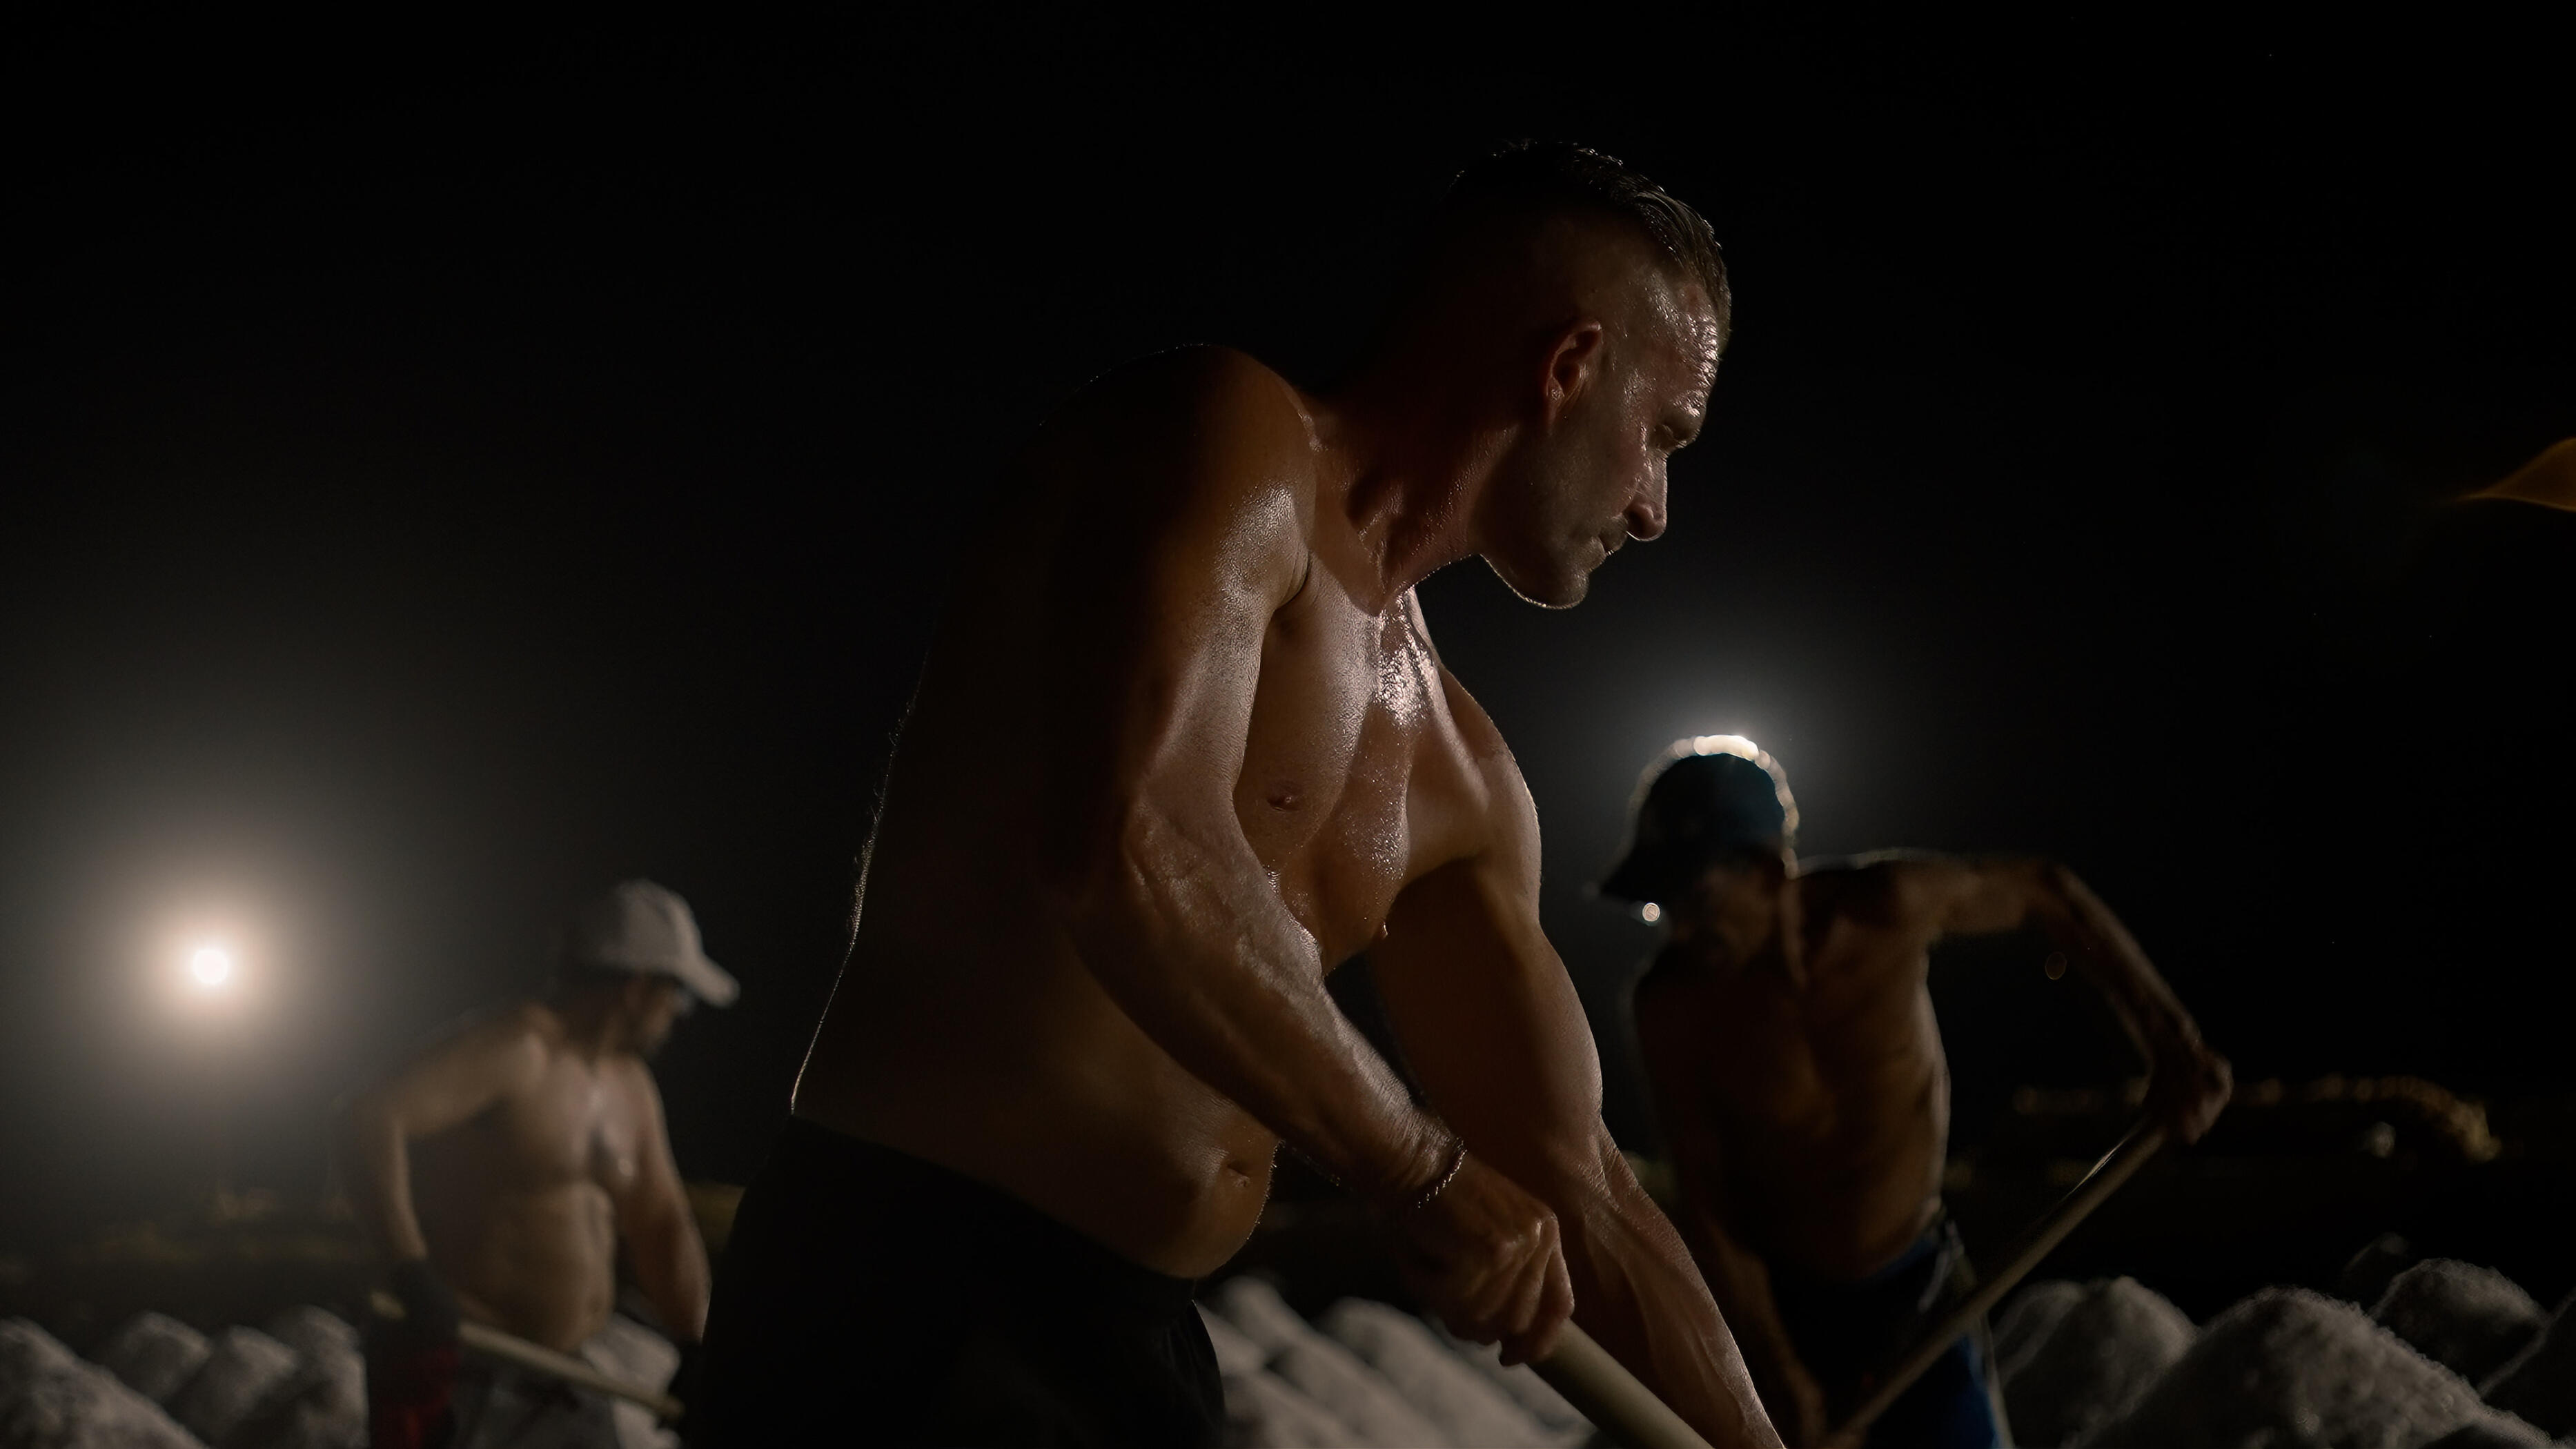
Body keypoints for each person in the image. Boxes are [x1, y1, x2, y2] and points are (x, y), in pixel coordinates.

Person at [691, 143, 1785, 1447]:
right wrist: (1416, 1169)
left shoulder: (1465, 774)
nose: (1657, 508)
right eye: (1663, 436)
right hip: (911, 1291)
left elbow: (1579, 1186)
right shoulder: (1229, 440)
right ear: (1567, 369)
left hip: (1139, 1336)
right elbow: (1128, 852)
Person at [1615, 737, 2233, 1447]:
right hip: (1789, 1318)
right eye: (1663, 907)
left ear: (1764, 868)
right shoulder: (1673, 1007)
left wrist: (2172, 1045)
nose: (1682, 929)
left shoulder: (1887, 907)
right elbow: (1710, 1211)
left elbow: (2047, 892)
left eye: (1695, 899)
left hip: (1918, 1294)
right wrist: (1783, 1374)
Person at [340, 878, 734, 1449]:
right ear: (638, 986)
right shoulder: (517, 1050)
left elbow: (659, 1220)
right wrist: (410, 1272)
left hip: (565, 1373)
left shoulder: (630, 1089)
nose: (678, 1015)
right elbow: (367, 1121)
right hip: (465, 1366)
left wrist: (695, 1345)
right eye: (679, 996)